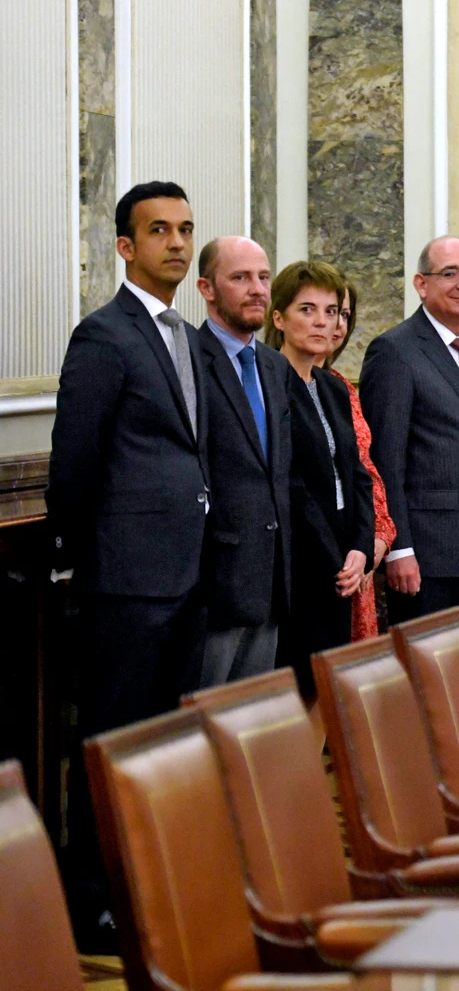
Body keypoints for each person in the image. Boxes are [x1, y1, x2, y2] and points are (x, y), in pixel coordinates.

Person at [48, 181, 209, 949]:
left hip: (187, 574)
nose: (176, 243)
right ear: (125, 246)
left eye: (184, 229)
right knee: (111, 742)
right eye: (158, 231)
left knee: (163, 743)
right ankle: (94, 901)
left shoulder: (185, 334)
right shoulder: (104, 335)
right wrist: (86, 567)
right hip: (126, 582)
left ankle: (149, 879)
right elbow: (73, 465)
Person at [359, 237, 459, 626]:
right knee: (429, 672)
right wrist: (399, 549)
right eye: (450, 273)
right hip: (426, 555)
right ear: (421, 284)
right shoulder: (395, 351)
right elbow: (385, 461)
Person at [266, 262, 375, 693]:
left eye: (331, 311)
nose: (322, 321)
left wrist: (360, 549)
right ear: (279, 318)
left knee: (328, 684)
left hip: (344, 550)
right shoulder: (270, 382)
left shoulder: (332, 386)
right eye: (307, 309)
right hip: (301, 555)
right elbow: (289, 481)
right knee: (297, 686)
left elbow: (357, 473)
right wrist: (336, 558)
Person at [193, 235, 294, 686]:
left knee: (250, 722)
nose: (257, 289)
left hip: (271, 575)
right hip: (213, 580)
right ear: (206, 289)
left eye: (263, 277)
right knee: (205, 720)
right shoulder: (188, 361)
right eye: (240, 278)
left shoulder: (274, 366)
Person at [327, 281, 396, 640]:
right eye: (324, 311)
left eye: (344, 314)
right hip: (326, 559)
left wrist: (377, 540)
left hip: (361, 553)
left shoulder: (341, 386)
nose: (336, 324)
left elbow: (366, 471)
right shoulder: (276, 378)